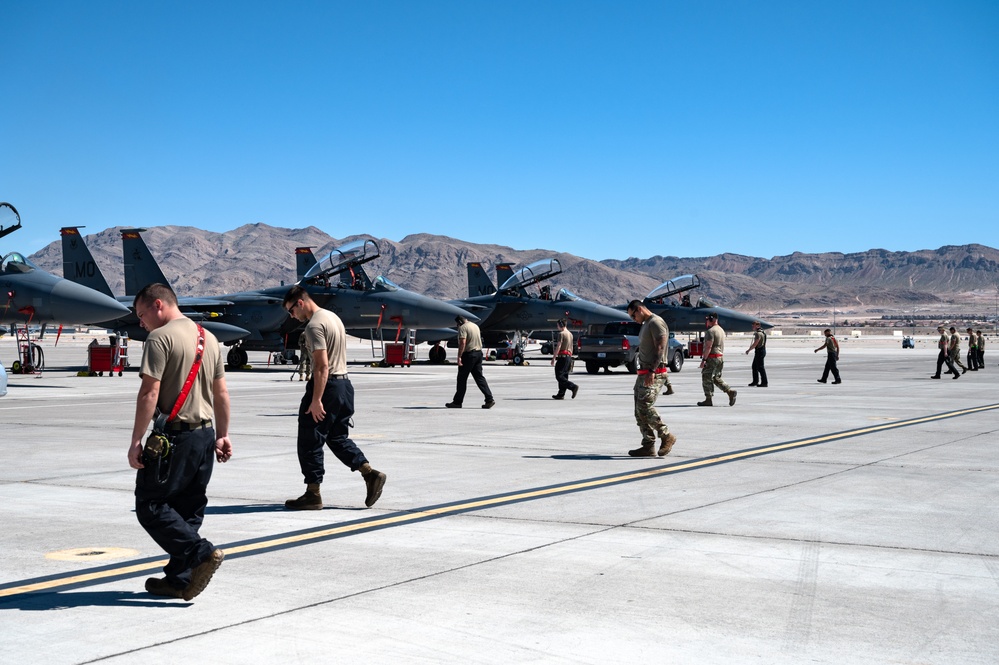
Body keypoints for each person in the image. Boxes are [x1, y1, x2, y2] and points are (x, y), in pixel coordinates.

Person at [128, 283, 232, 601]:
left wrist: (135, 440)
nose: (141, 323)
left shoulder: (160, 338)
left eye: (142, 314)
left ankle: (201, 553)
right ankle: (179, 579)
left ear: (158, 305)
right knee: (188, 508)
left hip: (175, 437)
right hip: (204, 437)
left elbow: (150, 393)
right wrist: (223, 434)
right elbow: (221, 393)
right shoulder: (208, 338)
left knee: (151, 505)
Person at [282, 285, 386, 510]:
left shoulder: (314, 326)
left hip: (326, 386)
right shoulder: (333, 318)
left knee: (310, 439)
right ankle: (369, 473)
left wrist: (316, 399)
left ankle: (312, 494)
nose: (291, 316)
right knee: (337, 437)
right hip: (345, 385)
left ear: (300, 303)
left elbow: (321, 366)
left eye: (291, 310)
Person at [625, 300, 676, 457]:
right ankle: (648, 445)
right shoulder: (646, 324)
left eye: (634, 315)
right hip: (644, 373)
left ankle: (666, 435)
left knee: (645, 407)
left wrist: (652, 370)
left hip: (654, 371)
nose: (634, 319)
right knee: (638, 411)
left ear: (640, 309)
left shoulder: (655, 322)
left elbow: (661, 346)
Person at [445, 315, 495, 409]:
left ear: (459, 322)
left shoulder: (463, 328)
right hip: (478, 354)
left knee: (462, 379)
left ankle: (457, 402)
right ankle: (489, 399)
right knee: (479, 377)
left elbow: (463, 342)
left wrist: (459, 356)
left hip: (469, 355)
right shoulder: (475, 326)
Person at [698, 313, 736, 406]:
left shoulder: (711, 331)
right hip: (719, 357)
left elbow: (708, 346)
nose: (706, 322)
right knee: (716, 378)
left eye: (707, 320)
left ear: (711, 319)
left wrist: (704, 360)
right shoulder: (721, 330)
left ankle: (708, 399)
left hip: (712, 358)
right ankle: (729, 391)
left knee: (706, 377)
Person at [550, 319, 579, 400]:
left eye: (557, 325)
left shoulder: (561, 334)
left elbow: (558, 346)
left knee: (559, 376)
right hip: (568, 357)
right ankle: (561, 393)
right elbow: (572, 347)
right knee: (564, 376)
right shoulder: (570, 334)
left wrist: (554, 358)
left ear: (560, 325)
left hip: (562, 357)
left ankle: (573, 387)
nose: (557, 327)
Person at [745, 320, 768, 387]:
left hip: (759, 351)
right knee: (754, 367)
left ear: (757, 326)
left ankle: (764, 382)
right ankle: (755, 381)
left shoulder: (758, 334)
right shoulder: (763, 332)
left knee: (760, 367)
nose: (752, 326)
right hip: (762, 350)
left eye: (754, 325)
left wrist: (749, 350)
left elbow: (755, 343)